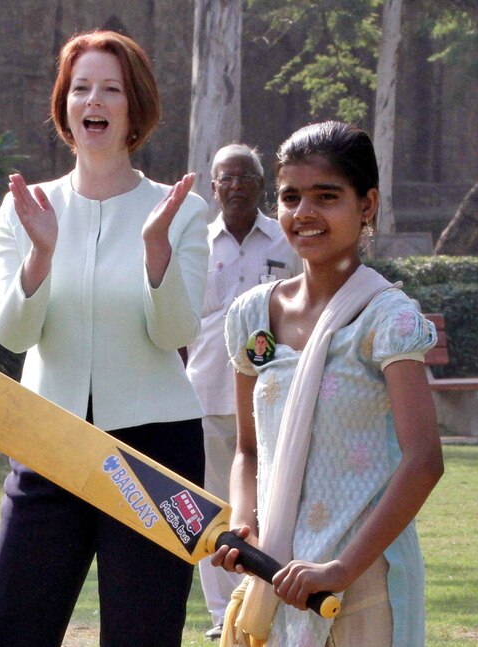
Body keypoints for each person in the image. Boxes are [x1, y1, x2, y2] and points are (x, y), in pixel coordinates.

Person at [0, 30, 209, 647]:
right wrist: (41, 255)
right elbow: (11, 331)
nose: (93, 101)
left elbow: (176, 333)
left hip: (157, 447)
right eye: (80, 88)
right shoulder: (28, 207)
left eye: (110, 89)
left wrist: (156, 251)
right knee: (9, 625)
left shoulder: (182, 209)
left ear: (135, 108)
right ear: (64, 106)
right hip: (48, 440)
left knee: (143, 632)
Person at [213, 121, 444, 646]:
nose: (304, 214)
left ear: (367, 205)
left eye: (326, 196)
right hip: (275, 576)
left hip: (360, 581)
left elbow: (424, 460)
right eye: (290, 197)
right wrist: (247, 528)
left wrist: (340, 567)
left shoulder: (386, 318)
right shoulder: (253, 315)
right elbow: (249, 451)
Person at [185, 143, 300, 640]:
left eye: (246, 177)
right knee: (214, 506)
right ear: (213, 187)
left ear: (262, 184)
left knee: (274, 500)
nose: (235, 186)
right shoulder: (195, 242)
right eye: (225, 179)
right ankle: (220, 615)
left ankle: (269, 602)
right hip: (208, 392)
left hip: (275, 396)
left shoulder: (286, 240)